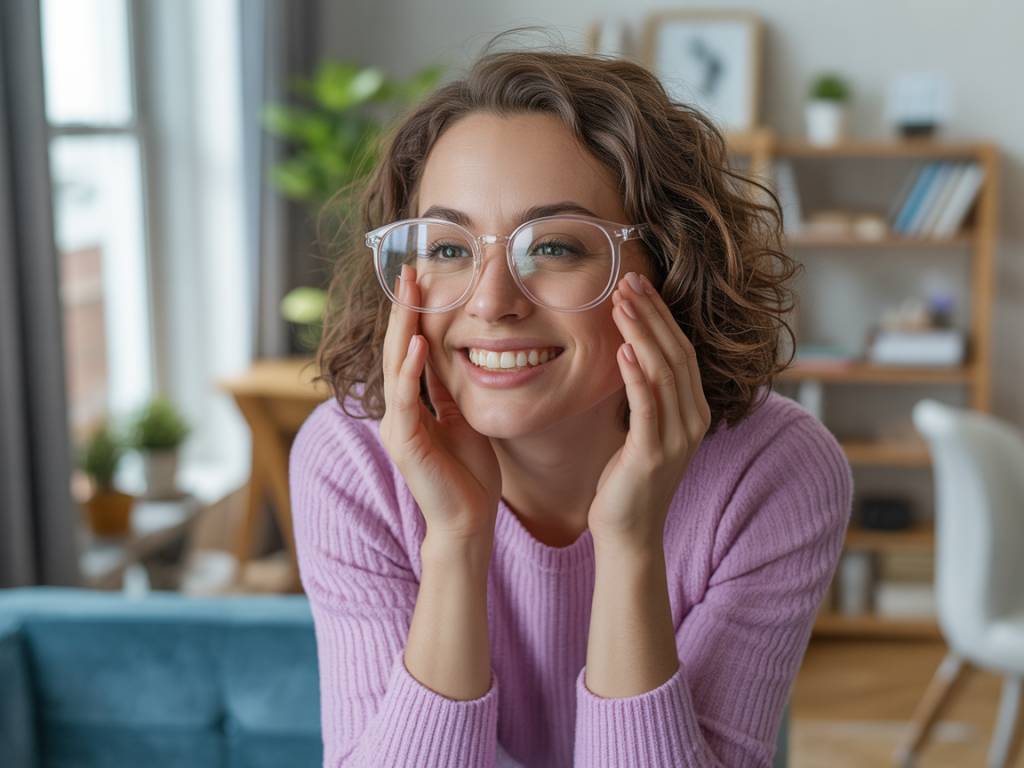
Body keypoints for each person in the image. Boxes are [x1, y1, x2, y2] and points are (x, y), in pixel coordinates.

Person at [289, 34, 853, 768]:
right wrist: (457, 540)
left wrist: (629, 543)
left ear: (673, 265)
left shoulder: (774, 473)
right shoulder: (351, 459)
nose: (491, 304)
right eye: (449, 248)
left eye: (554, 247)